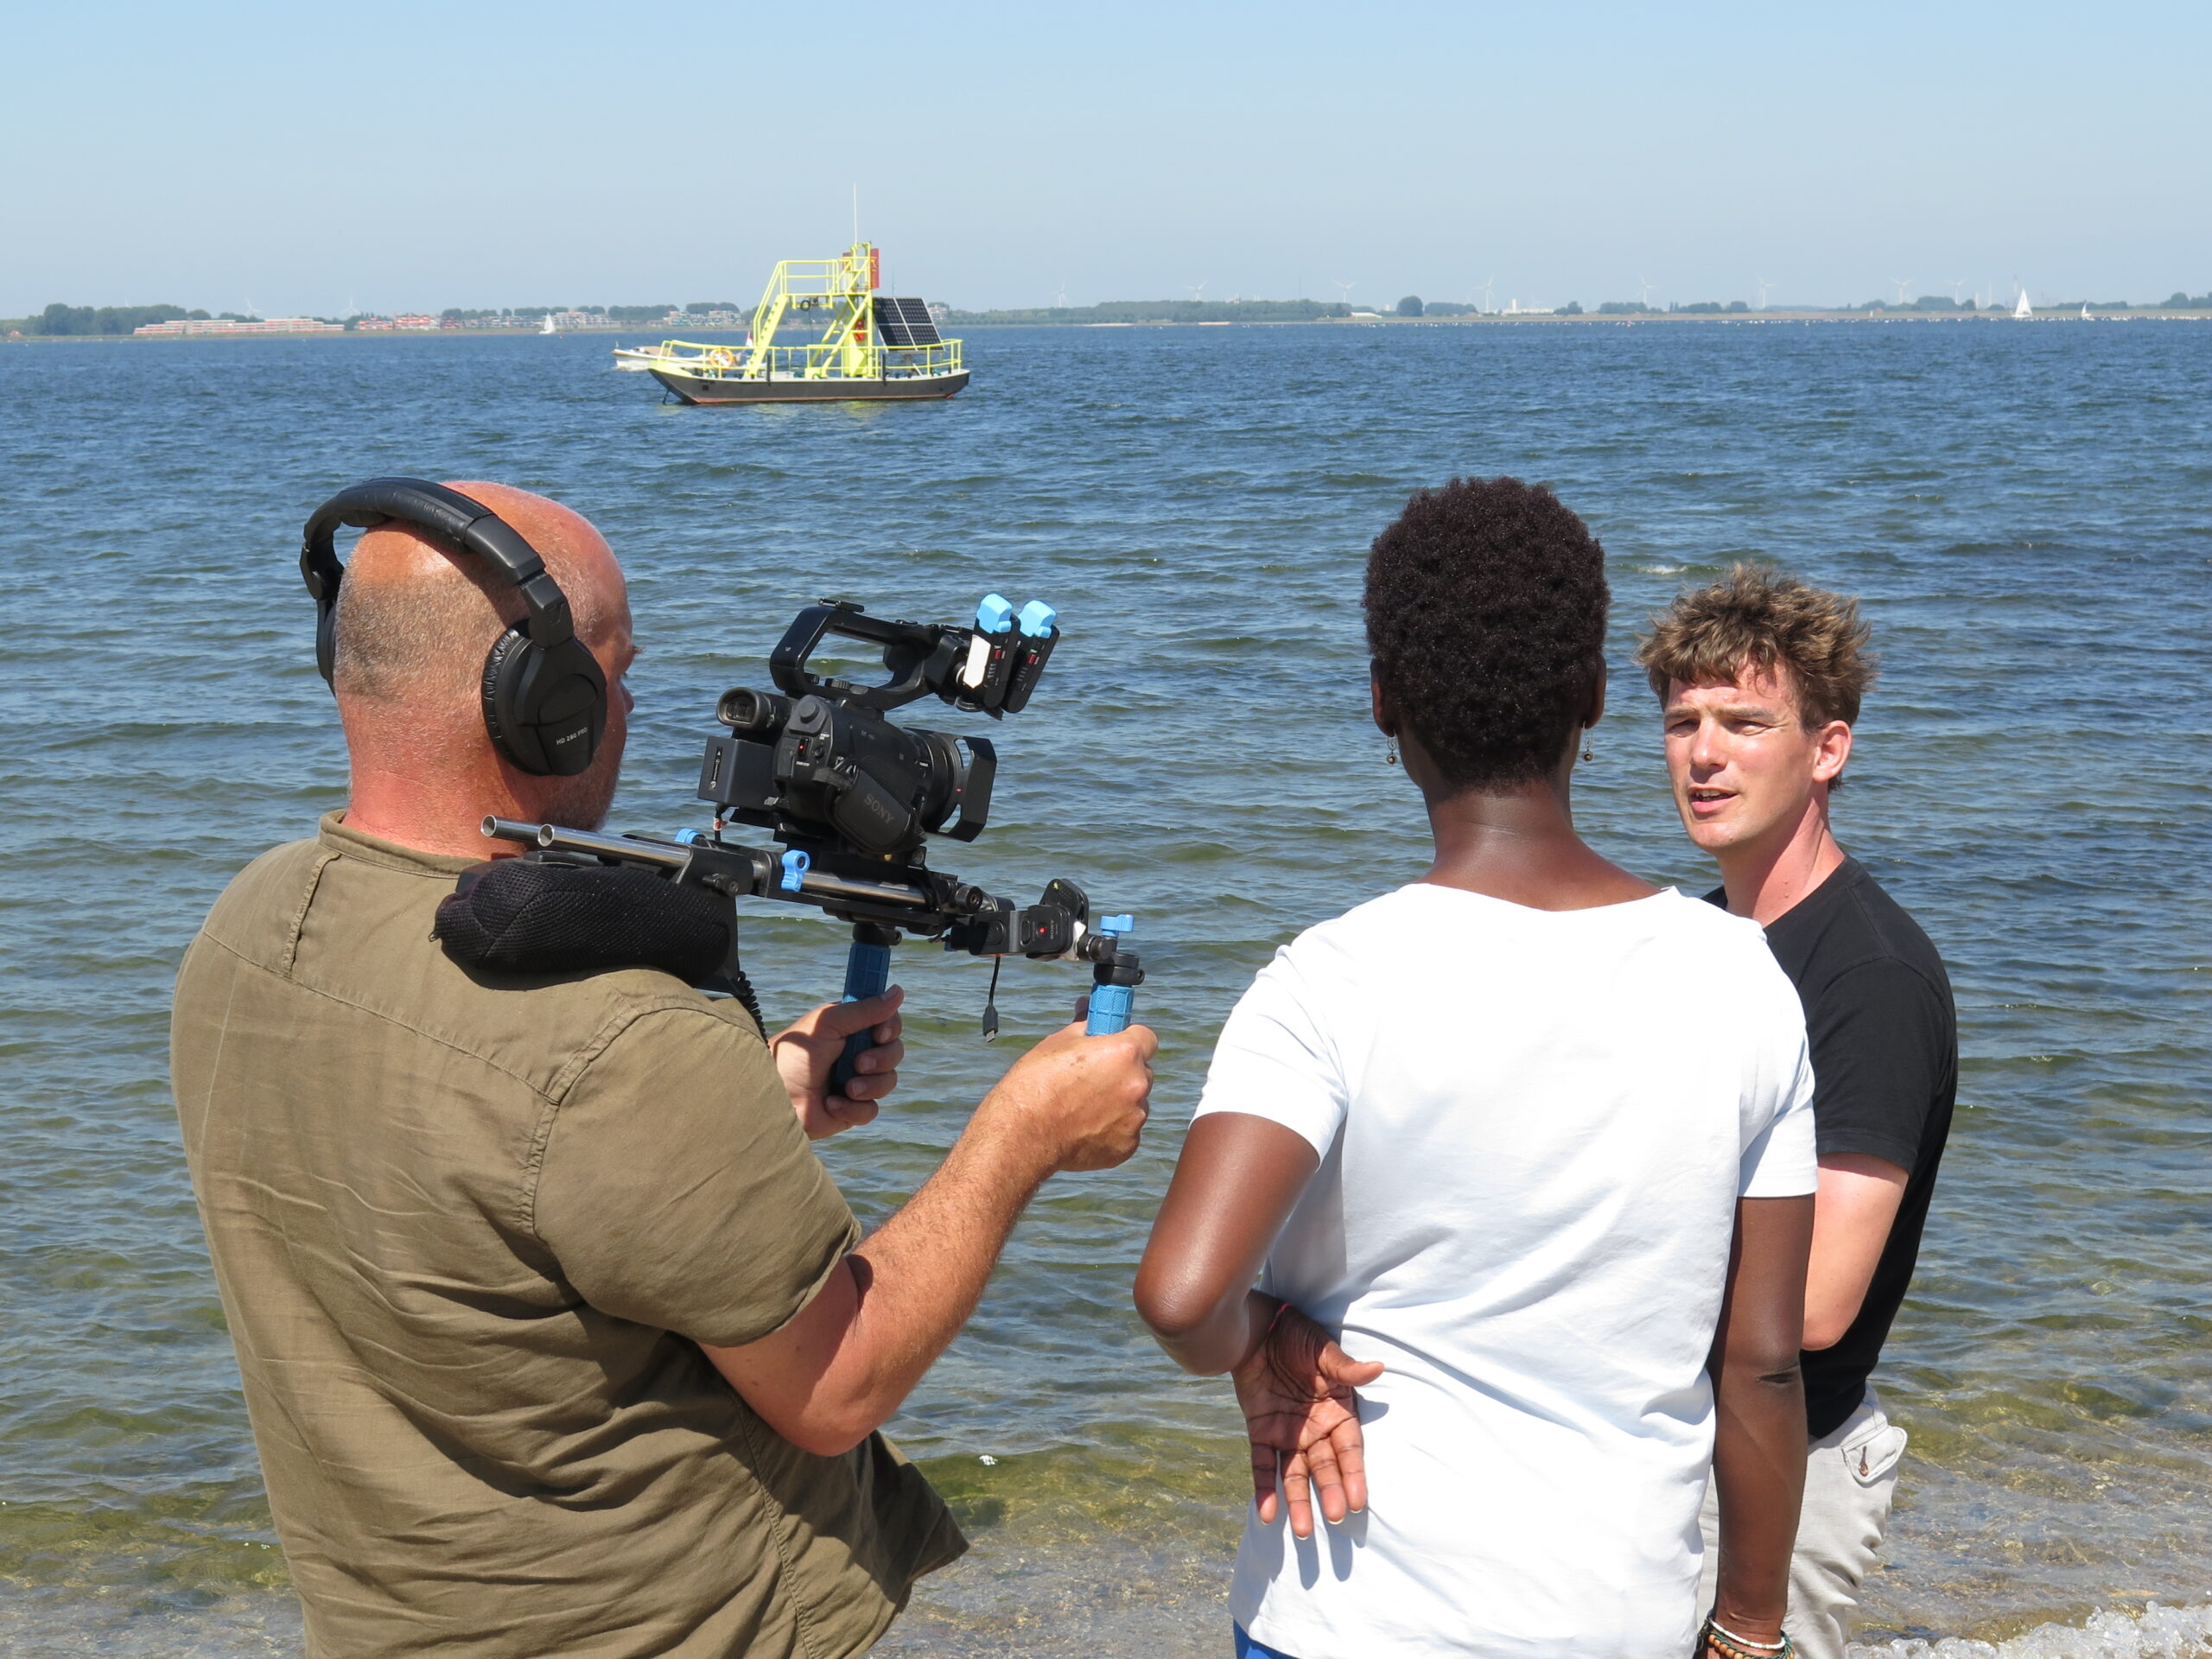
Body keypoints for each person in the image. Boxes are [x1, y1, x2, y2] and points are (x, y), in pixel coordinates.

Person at [169, 480, 1157, 1659]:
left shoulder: (246, 924)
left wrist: (757, 1112)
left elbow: (463, 1184)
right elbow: (841, 1382)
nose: (632, 704)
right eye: (616, 671)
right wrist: (1023, 1136)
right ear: (546, 704)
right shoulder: (620, 1042)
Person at [1135, 477, 1821, 1659]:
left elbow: (1184, 1296)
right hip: (1622, 1620)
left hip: (1348, 1610)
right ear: (1595, 699)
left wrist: (1269, 1337)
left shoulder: (1328, 982)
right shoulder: (1742, 978)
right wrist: (1751, 1624)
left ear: (1383, 704)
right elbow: (1760, 1365)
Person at [1637, 565, 1956, 1659]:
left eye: (1743, 722)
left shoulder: (1867, 976)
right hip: (1675, 1451)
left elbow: (1815, 1303)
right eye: (1682, 722)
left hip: (1790, 1472)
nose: (1704, 753)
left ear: (1827, 748)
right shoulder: (1698, 938)